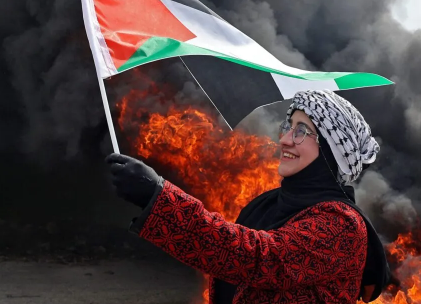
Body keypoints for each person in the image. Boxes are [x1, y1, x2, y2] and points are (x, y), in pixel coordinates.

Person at [106, 90, 390, 304]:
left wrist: (158, 197)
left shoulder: (342, 226)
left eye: (302, 131)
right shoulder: (269, 205)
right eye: (288, 126)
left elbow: (255, 258)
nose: (285, 139)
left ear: (332, 151)